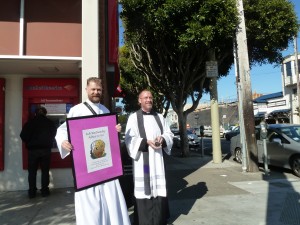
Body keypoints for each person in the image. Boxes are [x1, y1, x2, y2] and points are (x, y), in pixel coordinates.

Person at [55, 77, 130, 225]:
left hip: (106, 164)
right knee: (91, 203)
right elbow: (63, 130)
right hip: (86, 168)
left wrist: (116, 130)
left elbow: (109, 137)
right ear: (86, 90)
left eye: (99, 90)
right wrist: (63, 141)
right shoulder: (77, 110)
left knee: (110, 198)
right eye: (93, 89)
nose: (96, 92)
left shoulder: (106, 110)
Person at [125, 90, 174, 225]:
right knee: (145, 190)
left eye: (150, 97)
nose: (148, 100)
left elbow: (169, 134)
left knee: (158, 189)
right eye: (145, 97)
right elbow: (129, 138)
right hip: (144, 163)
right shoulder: (133, 117)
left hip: (157, 160)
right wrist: (145, 142)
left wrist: (163, 139)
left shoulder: (159, 117)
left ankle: (159, 220)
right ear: (139, 100)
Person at [20, 106, 57, 198]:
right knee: (45, 171)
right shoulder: (50, 123)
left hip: (33, 151)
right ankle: (45, 191)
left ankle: (32, 192)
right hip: (46, 150)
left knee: (32, 172)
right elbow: (54, 135)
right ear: (45, 113)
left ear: (35, 113)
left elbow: (23, 135)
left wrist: (30, 142)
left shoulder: (29, 123)